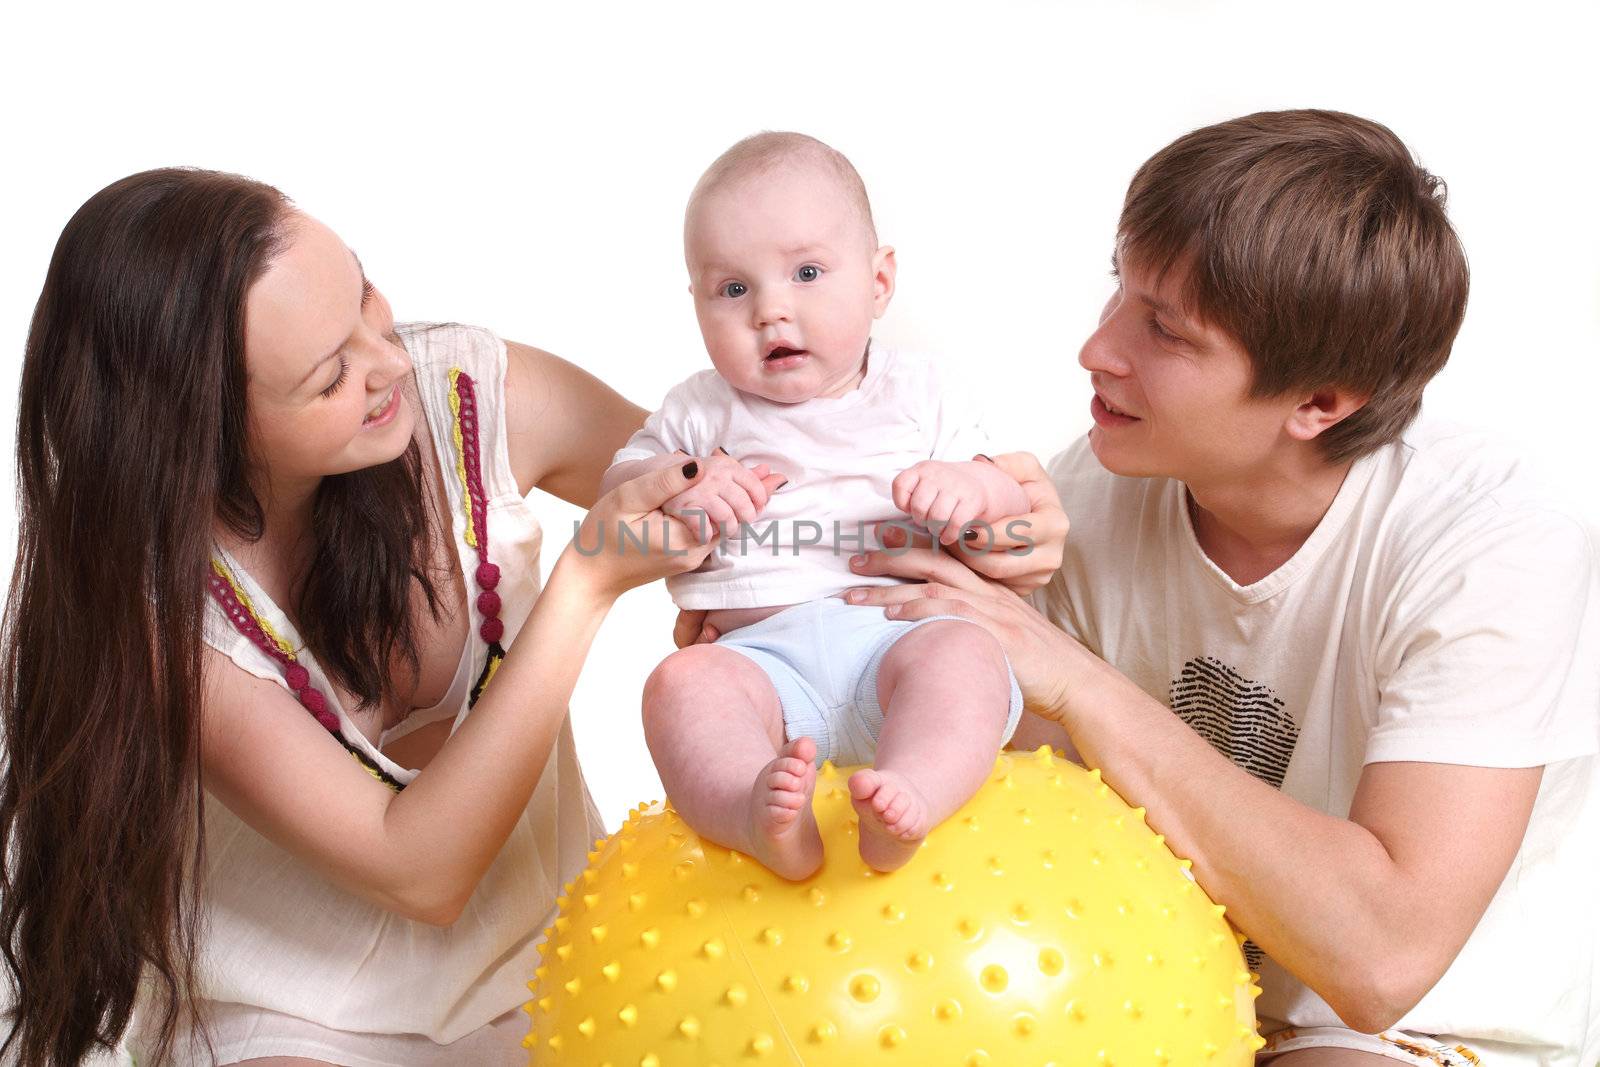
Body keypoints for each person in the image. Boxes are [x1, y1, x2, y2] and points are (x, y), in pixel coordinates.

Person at [0, 166, 1067, 1066]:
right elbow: (419, 868)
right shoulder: (160, 616)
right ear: (202, 432)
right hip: (295, 1019)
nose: (389, 366)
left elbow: (779, 491)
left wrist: (999, 518)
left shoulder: (464, 389)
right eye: (331, 374)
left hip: (561, 965)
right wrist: (586, 585)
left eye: (368, 303)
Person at [827, 109, 1600, 1065]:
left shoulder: (1492, 545)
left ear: (1320, 402)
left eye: (1165, 329)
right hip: (1136, 987)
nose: (1097, 350)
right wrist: (784, 621)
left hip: (1404, 1034)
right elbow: (995, 779)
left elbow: (1381, 955)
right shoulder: (1088, 498)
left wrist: (1074, 676)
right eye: (1121, 291)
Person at [600, 132, 1032, 877]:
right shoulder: (699, 410)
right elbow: (620, 489)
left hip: (895, 637)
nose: (771, 310)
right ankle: (753, 811)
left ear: (878, 281)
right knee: (680, 684)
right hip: (757, 661)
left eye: (806, 272)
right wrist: (683, 479)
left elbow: (1005, 494)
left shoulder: (921, 392)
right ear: (696, 302)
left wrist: (972, 489)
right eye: (733, 289)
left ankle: (913, 795)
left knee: (965, 657)